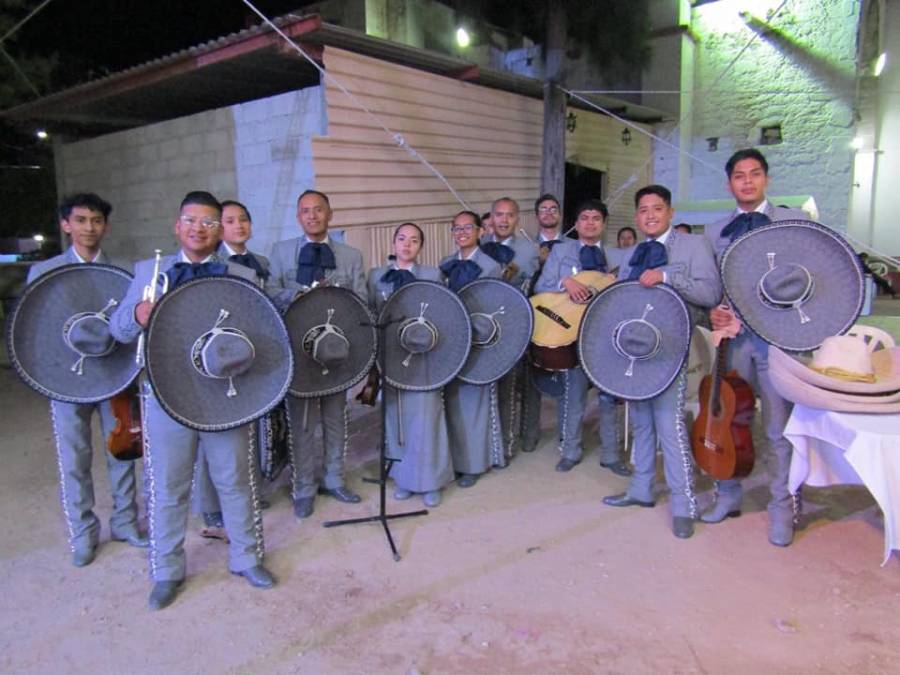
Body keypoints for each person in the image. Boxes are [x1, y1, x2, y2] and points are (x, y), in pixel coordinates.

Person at [110, 191, 275, 610]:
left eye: (208, 222)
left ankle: (247, 557)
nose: (198, 229)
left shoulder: (240, 274)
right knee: (167, 487)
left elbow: (259, 335)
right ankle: (166, 571)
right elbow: (118, 331)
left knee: (235, 480)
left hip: (225, 394)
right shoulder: (149, 271)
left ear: (219, 230)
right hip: (166, 392)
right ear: (176, 225)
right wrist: (136, 315)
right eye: (191, 220)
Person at [26, 193, 147, 567]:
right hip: (66, 381)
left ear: (105, 226)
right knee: (74, 457)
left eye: (96, 220)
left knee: (122, 450)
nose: (89, 228)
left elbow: (130, 327)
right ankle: (83, 533)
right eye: (80, 220)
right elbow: (36, 329)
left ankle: (125, 522)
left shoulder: (123, 271)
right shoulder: (44, 272)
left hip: (113, 376)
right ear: (66, 225)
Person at [701, 148, 808, 546]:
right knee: (727, 421)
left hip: (778, 341)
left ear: (766, 179)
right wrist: (712, 311)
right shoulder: (714, 231)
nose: (747, 181)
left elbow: (809, 277)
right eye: (739, 176)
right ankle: (727, 496)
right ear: (729, 184)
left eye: (755, 174)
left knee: (779, 428)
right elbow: (711, 287)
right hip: (734, 342)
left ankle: (783, 505)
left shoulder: (793, 220)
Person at [603, 185, 721, 539]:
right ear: (637, 216)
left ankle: (685, 505)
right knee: (640, 421)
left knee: (669, 424)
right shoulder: (632, 252)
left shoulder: (693, 245)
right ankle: (640, 490)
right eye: (643, 210)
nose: (650, 215)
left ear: (670, 212)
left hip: (671, 347)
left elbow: (710, 292)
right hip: (635, 350)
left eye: (657, 208)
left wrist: (667, 276)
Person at [266, 189, 367, 519]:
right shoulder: (280, 254)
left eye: (318, 210)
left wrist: (337, 295)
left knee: (336, 418)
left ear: (329, 215)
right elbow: (269, 294)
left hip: (338, 349)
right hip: (296, 350)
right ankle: (303, 487)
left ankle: (334, 479)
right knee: (302, 423)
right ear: (298, 217)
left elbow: (361, 302)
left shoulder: (351, 256)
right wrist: (305, 294)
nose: (312, 215)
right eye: (305, 211)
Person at [194, 199, 272, 538]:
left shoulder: (261, 263)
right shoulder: (211, 263)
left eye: (244, 219)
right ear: (217, 228)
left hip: (247, 352)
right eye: (229, 221)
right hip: (215, 356)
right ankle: (211, 507)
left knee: (246, 431)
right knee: (212, 435)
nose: (238, 226)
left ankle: (250, 492)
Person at [533, 199, 629, 475]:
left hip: (605, 334)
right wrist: (566, 282)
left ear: (603, 223)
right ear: (576, 223)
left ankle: (611, 455)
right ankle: (571, 451)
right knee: (573, 395)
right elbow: (540, 287)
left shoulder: (618, 257)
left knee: (609, 398)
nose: (590, 223)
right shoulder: (562, 251)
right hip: (571, 334)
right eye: (584, 217)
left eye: (596, 218)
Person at [368, 223, 453, 507]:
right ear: (393, 243)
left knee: (427, 416)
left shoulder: (432, 274)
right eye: (402, 239)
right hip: (390, 356)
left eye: (414, 240)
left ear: (421, 247)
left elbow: (443, 312)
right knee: (397, 418)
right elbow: (370, 314)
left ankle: (431, 481)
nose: (407, 245)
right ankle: (403, 478)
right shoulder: (376, 276)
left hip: (426, 355)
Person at [440, 211, 503, 487]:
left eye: (468, 227)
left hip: (479, 340)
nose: (462, 232)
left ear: (480, 231)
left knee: (474, 403)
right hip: (450, 341)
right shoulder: (445, 264)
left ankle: (475, 464)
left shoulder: (491, 266)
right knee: (451, 400)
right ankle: (455, 459)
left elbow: (496, 306)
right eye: (457, 228)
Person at [480, 197, 539, 464]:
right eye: (499, 215)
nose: (504, 220)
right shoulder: (479, 246)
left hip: (512, 324)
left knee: (509, 386)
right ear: (491, 218)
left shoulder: (529, 250)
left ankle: (505, 446)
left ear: (517, 219)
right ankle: (481, 445)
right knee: (482, 388)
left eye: (510, 215)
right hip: (481, 327)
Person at [521, 194, 564, 454]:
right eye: (543, 209)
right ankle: (529, 433)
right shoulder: (525, 247)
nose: (548, 213)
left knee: (564, 377)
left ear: (559, 214)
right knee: (530, 378)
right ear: (537, 216)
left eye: (553, 209)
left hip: (561, 320)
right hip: (532, 317)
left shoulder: (571, 246)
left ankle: (566, 435)